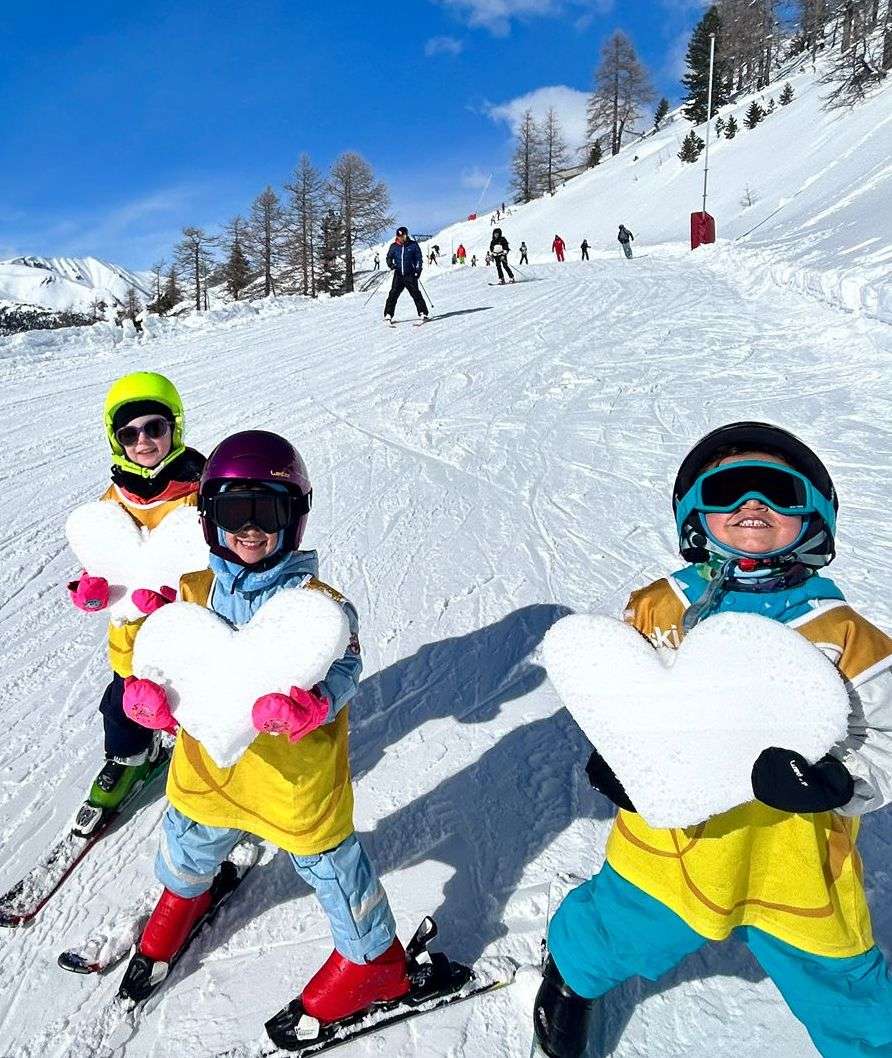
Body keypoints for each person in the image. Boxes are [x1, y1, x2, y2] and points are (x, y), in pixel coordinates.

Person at [534, 422, 892, 1058]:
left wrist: (838, 781)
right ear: (697, 512)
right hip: (675, 842)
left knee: (843, 984)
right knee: (623, 927)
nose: (753, 506)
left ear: (813, 515)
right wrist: (621, 755)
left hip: (796, 861)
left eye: (778, 492)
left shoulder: (845, 635)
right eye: (729, 490)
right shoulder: (660, 608)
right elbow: (621, 694)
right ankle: (570, 972)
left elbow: (886, 741)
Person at [120, 430, 411, 1027]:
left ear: (294, 518)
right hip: (209, 769)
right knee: (188, 840)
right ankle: (185, 895)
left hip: (291, 780)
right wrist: (147, 694)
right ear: (208, 518)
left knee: (332, 867)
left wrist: (317, 704)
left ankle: (373, 959)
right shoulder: (194, 591)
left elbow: (348, 667)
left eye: (267, 511)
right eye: (233, 511)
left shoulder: (317, 607)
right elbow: (160, 653)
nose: (250, 529)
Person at [67, 372, 204, 836]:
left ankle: (211, 774)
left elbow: (221, 563)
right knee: (121, 703)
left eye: (154, 428)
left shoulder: (197, 492)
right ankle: (131, 756)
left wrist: (180, 594)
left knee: (190, 704)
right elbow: (106, 553)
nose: (143, 440)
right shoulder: (115, 495)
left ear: (174, 429)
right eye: (130, 433)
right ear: (116, 440)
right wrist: (94, 585)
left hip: (184, 635)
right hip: (129, 635)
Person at [383, 226, 428, 324]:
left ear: (406, 235)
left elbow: (418, 258)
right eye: (399, 236)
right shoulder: (394, 246)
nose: (401, 238)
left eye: (403, 236)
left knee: (416, 293)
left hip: (410, 274)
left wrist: (418, 270)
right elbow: (389, 257)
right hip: (398, 274)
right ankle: (388, 314)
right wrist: (391, 264)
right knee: (393, 294)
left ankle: (423, 313)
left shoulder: (413, 245)